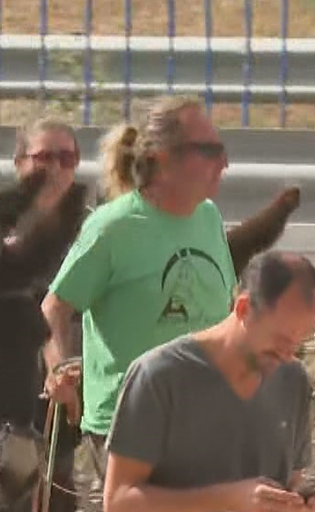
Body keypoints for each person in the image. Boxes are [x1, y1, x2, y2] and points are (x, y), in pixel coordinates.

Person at [41, 96, 234, 485]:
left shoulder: (209, 218)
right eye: (209, 151)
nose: (224, 163)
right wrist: (60, 369)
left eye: (222, 150)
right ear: (163, 158)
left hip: (208, 419)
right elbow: (55, 306)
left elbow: (227, 312)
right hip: (129, 424)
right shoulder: (114, 228)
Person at [103, 251, 315, 512]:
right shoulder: (158, 378)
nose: (289, 355)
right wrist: (227, 500)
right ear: (243, 309)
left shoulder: (292, 380)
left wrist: (301, 498)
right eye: (281, 340)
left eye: (300, 342)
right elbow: (118, 501)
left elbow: (292, 478)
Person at [11, 116, 86, 512]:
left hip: (78, 388)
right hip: (13, 393)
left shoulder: (95, 232)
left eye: (67, 157)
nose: (56, 168)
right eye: (43, 157)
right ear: (19, 163)